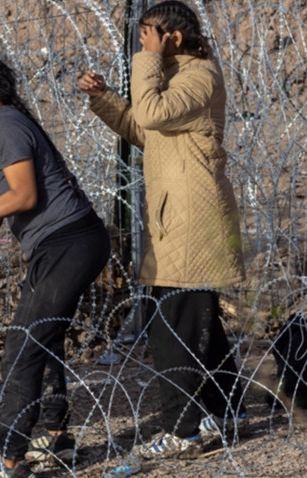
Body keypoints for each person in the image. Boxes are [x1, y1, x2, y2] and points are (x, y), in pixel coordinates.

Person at [79, 0, 246, 460]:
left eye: (147, 34)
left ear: (172, 37)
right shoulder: (174, 79)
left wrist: (147, 61)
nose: (141, 42)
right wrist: (104, 97)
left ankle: (182, 429)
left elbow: (151, 114)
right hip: (177, 218)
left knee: (173, 329)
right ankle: (229, 409)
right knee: (195, 321)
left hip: (193, 220)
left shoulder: (199, 76)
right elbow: (143, 127)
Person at [0, 54, 111, 478]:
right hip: (62, 244)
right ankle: (57, 436)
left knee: (23, 345)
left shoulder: (7, 126)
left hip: (69, 241)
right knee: (40, 339)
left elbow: (25, 196)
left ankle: (11, 462)